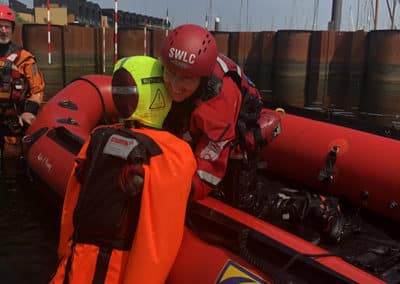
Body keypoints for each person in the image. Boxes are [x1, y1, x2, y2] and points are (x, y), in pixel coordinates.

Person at [160, 24, 347, 243]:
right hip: (201, 114)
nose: (174, 86)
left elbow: (210, 166)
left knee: (245, 203)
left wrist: (179, 193)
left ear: (201, 77)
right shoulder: (178, 74)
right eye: (170, 73)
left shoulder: (217, 100)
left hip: (242, 121)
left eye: (185, 79)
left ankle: (314, 206)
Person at [50, 56, 196, 284]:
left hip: (75, 268)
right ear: (157, 92)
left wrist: (64, 258)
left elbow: (70, 211)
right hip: (114, 272)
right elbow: (155, 246)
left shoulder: (97, 137)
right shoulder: (174, 154)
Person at [0, 5, 44, 171]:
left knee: (12, 162)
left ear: (12, 29)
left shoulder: (24, 58)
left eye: (7, 27)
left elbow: (37, 89)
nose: (3, 30)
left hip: (12, 118)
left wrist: (29, 111)